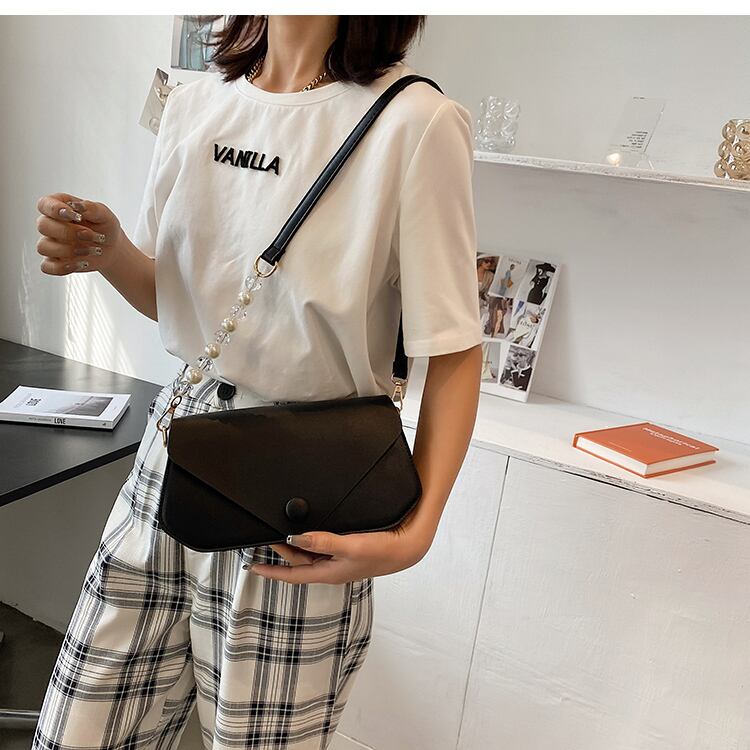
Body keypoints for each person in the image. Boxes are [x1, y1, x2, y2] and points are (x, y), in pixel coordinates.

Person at [31, 15, 482, 750]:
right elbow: (186, 306)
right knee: (76, 732)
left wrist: (417, 532)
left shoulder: (416, 123)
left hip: (300, 493)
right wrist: (111, 253)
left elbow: (455, 350)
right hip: (171, 457)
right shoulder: (193, 103)